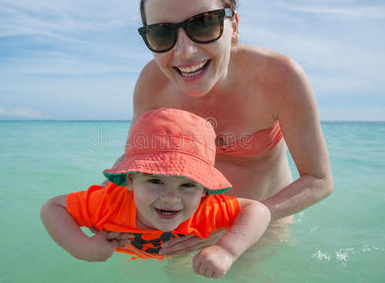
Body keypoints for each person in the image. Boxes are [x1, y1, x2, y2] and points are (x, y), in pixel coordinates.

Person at [110, 0, 333, 257]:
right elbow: (136, 160)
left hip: (263, 219)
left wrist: (239, 223)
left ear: (234, 26)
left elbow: (318, 180)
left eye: (204, 24)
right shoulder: (152, 83)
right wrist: (103, 210)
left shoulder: (279, 78)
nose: (185, 52)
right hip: (184, 221)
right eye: (162, 32)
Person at [40, 108, 271, 279]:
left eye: (188, 185)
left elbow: (258, 211)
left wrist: (227, 249)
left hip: (183, 249)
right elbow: (53, 208)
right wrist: (82, 247)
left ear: (204, 189)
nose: (171, 197)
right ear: (130, 180)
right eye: (155, 180)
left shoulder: (206, 208)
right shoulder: (107, 204)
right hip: (126, 252)